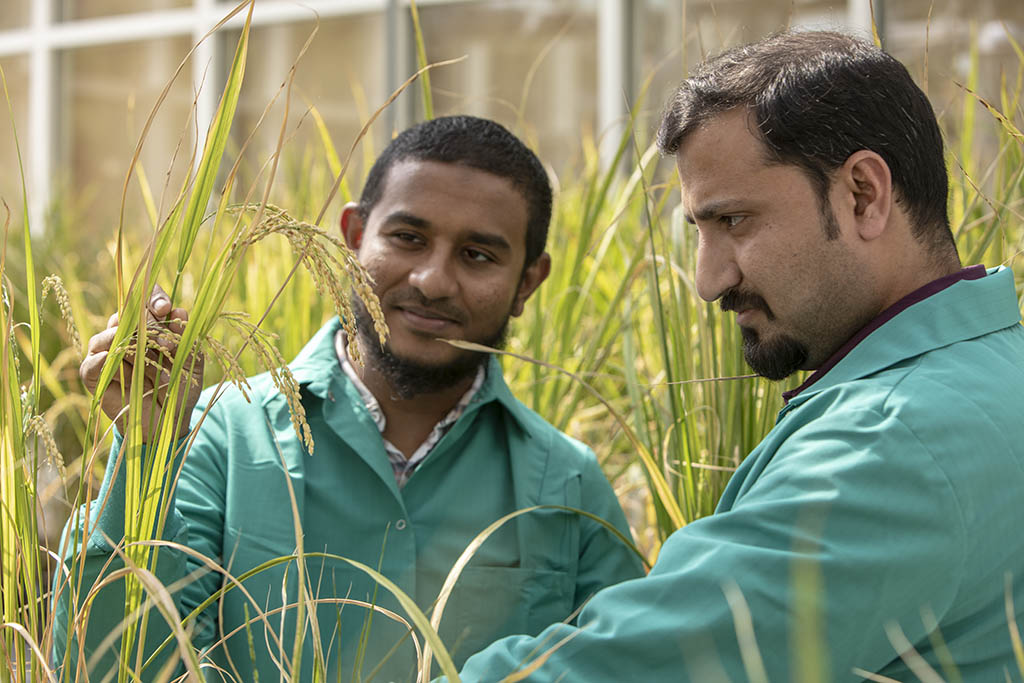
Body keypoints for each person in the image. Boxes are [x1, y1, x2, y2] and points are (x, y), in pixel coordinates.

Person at [452, 31, 1024, 681]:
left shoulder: (891, 440)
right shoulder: (996, 367)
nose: (708, 280)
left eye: (734, 222)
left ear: (863, 194)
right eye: (697, 230)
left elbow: (631, 666)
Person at [55, 115, 644, 682]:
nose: (432, 281)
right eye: (408, 238)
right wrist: (149, 450)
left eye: (478, 255)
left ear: (528, 283)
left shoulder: (568, 485)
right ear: (354, 237)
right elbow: (109, 666)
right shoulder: (219, 433)